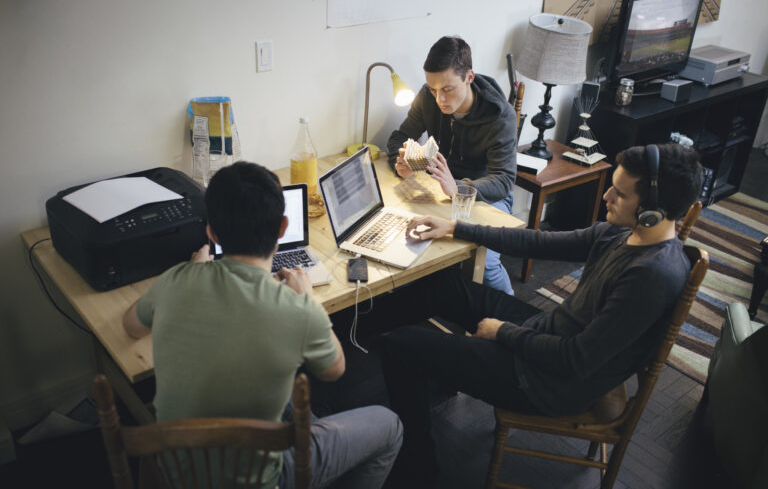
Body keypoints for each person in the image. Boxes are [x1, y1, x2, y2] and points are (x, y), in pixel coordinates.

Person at [377, 143, 702, 487]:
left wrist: (502, 332)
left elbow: (574, 361)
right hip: (544, 337)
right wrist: (456, 227)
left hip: (548, 383)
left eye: (619, 194)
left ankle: (417, 469)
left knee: (399, 346)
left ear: (653, 210)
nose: (606, 196)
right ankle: (426, 367)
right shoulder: (622, 233)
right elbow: (538, 242)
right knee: (441, 286)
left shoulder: (651, 276)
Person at [122, 161, 402, 489]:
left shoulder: (175, 280)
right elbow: (334, 370)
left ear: (211, 233)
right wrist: (309, 302)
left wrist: (191, 271)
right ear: (283, 228)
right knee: (390, 425)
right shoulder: (297, 309)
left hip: (177, 474)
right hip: (260, 480)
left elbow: (131, 325)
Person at [387, 35, 518, 295]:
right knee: (402, 245)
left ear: (469, 77)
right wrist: (399, 163)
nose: (439, 99)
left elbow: (503, 180)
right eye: (433, 89)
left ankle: (517, 323)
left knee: (487, 265)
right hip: (439, 188)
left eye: (447, 89)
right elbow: (399, 138)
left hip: (486, 196)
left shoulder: (500, 116)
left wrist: (457, 187)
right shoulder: (428, 97)